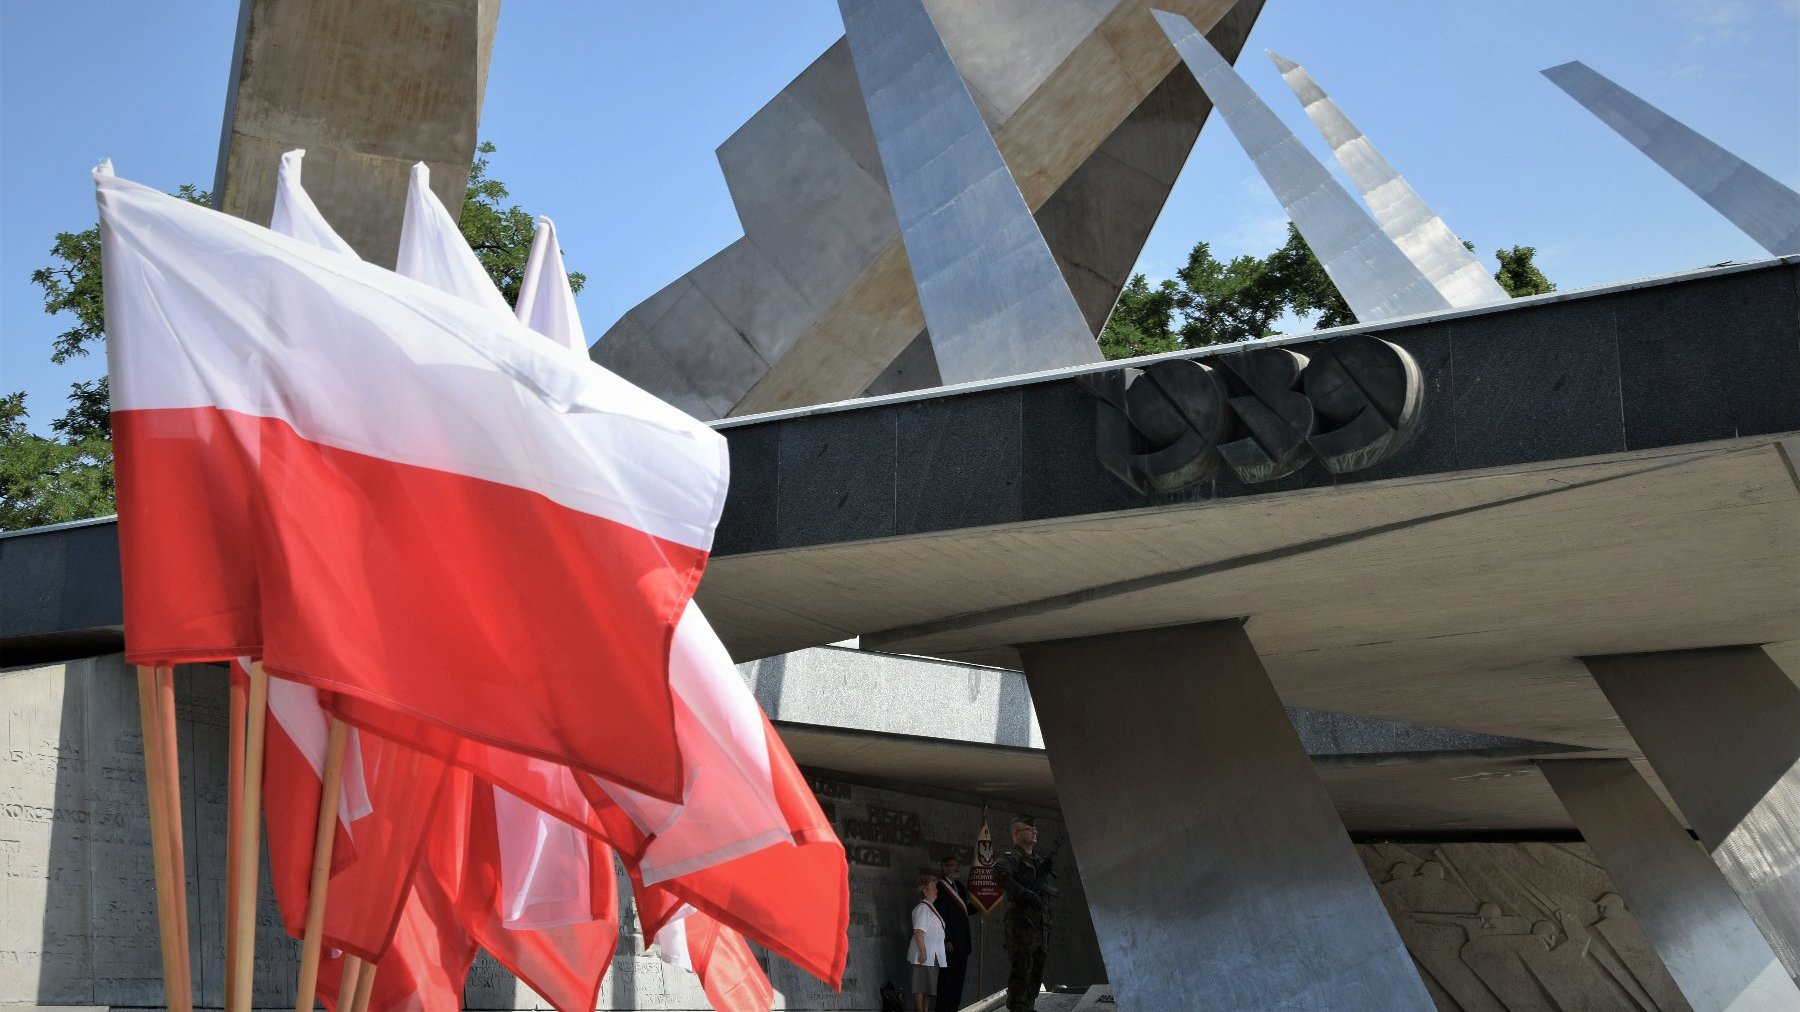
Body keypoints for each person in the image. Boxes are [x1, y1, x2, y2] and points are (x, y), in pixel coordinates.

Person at [992, 816, 1052, 1012]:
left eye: (1035, 829)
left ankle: (1030, 1006)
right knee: (1021, 972)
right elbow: (999, 873)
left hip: (1040, 924)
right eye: (1029, 829)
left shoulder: (1039, 859)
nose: (1035, 832)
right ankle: (1019, 1008)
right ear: (1017, 833)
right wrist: (1022, 892)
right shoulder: (1011, 856)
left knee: (1037, 971)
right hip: (1021, 924)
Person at [933, 855, 974, 1011]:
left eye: (957, 865)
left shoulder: (960, 887)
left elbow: (963, 911)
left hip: (963, 943)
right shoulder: (940, 887)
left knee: (958, 981)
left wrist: (981, 906)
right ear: (944, 868)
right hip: (949, 943)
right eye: (952, 865)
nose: (956, 868)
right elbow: (940, 915)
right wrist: (946, 939)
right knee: (947, 980)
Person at [907, 873, 947, 1012]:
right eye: (933, 887)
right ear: (925, 890)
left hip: (930, 955)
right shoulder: (923, 908)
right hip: (923, 955)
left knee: (927, 988)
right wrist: (923, 952)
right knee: (920, 987)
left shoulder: (929, 907)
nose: (936, 890)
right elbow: (918, 931)